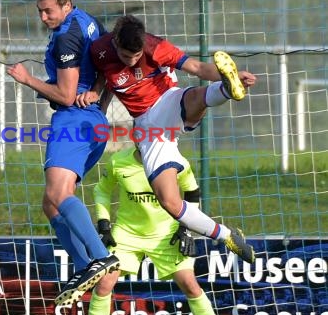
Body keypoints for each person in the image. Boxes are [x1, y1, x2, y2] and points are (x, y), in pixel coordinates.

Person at [80, 14, 256, 263]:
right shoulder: (99, 50)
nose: (131, 61)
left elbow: (197, 68)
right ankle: (227, 236)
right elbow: (104, 78)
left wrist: (232, 76)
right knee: (171, 203)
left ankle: (228, 88)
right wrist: (96, 100)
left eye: (136, 56)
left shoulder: (156, 47)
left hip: (166, 101)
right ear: (115, 43)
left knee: (193, 97)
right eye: (126, 56)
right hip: (148, 129)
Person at [5, 0, 119, 307]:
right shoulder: (90, 22)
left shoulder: (67, 35)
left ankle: (99, 258)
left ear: (65, 4)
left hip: (72, 121)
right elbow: (109, 67)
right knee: (50, 203)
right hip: (94, 122)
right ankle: (87, 266)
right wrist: (98, 100)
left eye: (48, 11)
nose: (43, 18)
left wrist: (28, 80)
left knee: (58, 194)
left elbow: (67, 95)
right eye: (40, 11)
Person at [88, 146, 225, 315]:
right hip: (127, 233)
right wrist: (104, 225)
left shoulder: (175, 160)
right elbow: (102, 190)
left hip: (167, 234)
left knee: (190, 284)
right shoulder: (118, 161)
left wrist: (185, 228)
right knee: (104, 283)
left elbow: (192, 192)